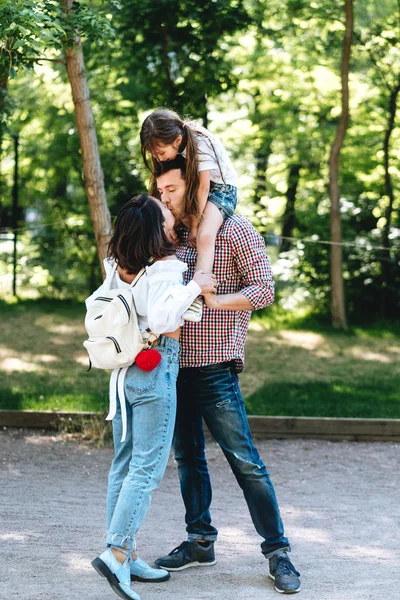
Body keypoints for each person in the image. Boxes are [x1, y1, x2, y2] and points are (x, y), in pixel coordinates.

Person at [152, 156, 301, 595]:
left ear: (195, 186)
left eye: (172, 190)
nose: (165, 198)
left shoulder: (235, 230)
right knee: (188, 462)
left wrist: (217, 302)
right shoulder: (170, 235)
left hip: (216, 371)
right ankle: (200, 542)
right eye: (160, 192)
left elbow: (264, 290)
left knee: (246, 463)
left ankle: (278, 552)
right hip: (172, 367)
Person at [90, 193, 217, 600]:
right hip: (155, 366)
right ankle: (117, 553)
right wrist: (194, 285)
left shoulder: (118, 266)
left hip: (125, 373)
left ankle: (123, 550)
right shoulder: (165, 268)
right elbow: (163, 319)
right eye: (165, 216)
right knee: (146, 469)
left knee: (124, 464)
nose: (171, 218)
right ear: (152, 229)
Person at [140, 108, 238, 322]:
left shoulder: (201, 143)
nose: (158, 157)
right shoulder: (174, 146)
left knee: (204, 234)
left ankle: (199, 296)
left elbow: (203, 189)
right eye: (154, 154)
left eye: (160, 152)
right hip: (199, 189)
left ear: (177, 140)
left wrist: (195, 225)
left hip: (221, 190)